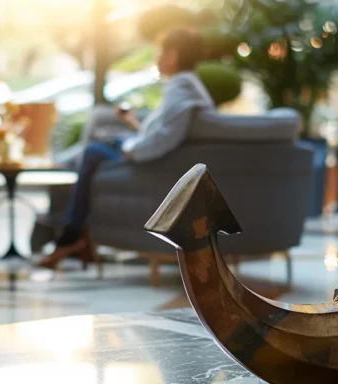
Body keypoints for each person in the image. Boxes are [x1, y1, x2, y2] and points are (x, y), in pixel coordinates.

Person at [37, 28, 215, 269]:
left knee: (93, 152)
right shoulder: (188, 86)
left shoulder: (182, 89)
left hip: (148, 162)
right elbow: (162, 133)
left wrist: (129, 149)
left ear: (172, 56)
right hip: (143, 149)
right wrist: (132, 124)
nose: (157, 58)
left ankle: (72, 233)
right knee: (98, 143)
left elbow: (161, 140)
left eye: (160, 52)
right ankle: (76, 226)